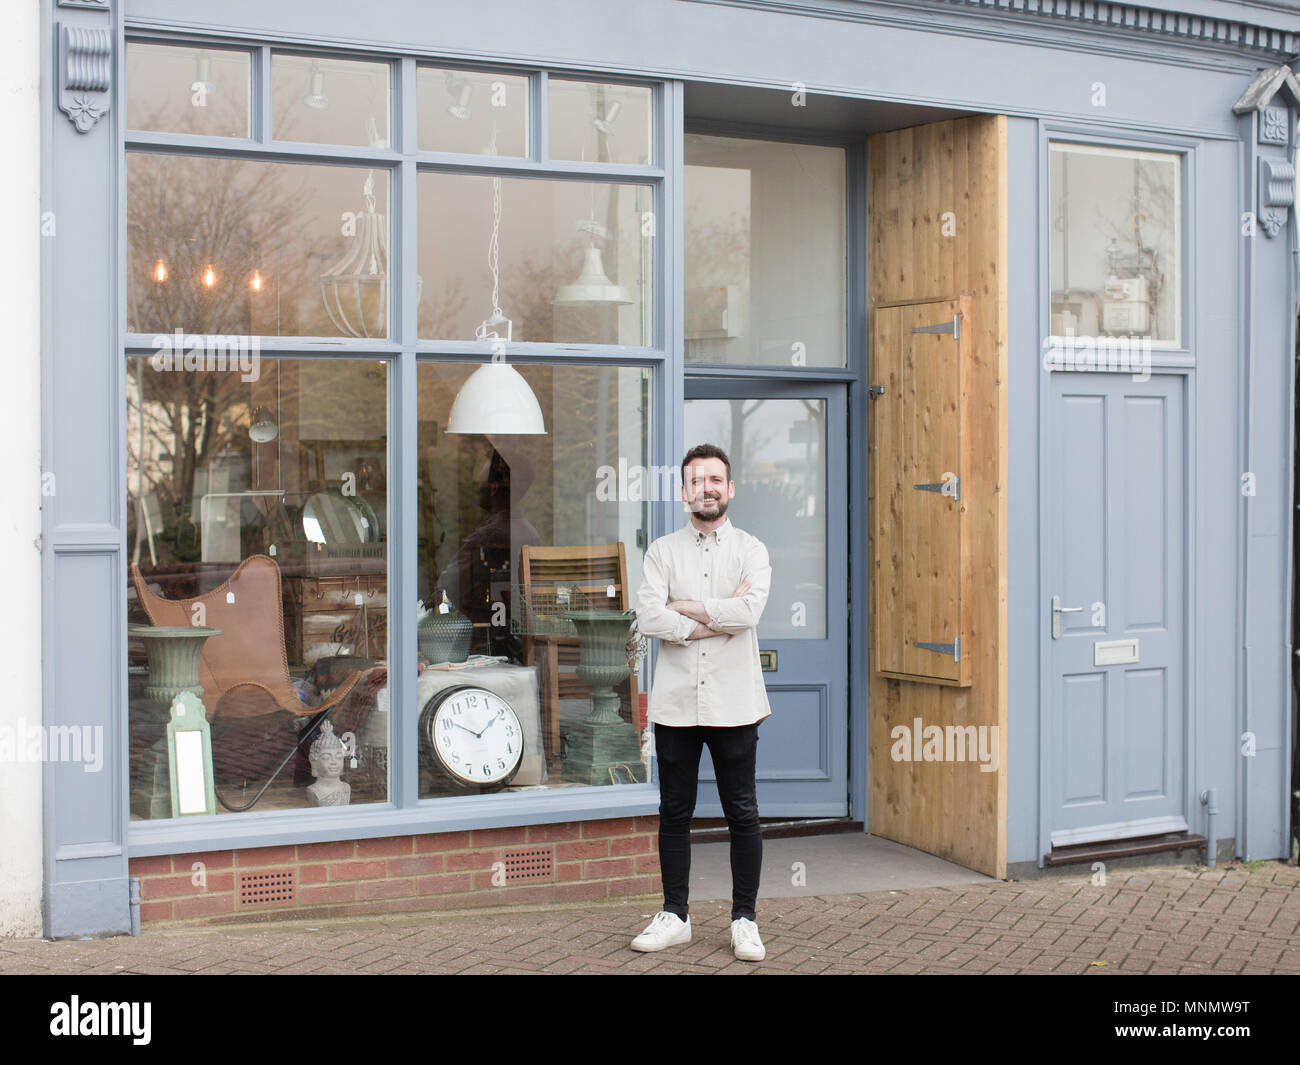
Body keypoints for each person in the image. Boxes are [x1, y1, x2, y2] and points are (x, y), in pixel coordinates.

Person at [631, 443, 772, 962]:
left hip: (736, 702)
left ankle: (744, 920)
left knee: (742, 812)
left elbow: (749, 612)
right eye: (696, 481)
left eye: (715, 480)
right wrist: (718, 618)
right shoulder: (662, 552)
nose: (706, 489)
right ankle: (676, 915)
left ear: (729, 488)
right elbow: (649, 617)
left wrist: (685, 609)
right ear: (683, 490)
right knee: (674, 812)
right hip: (675, 705)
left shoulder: (752, 551)